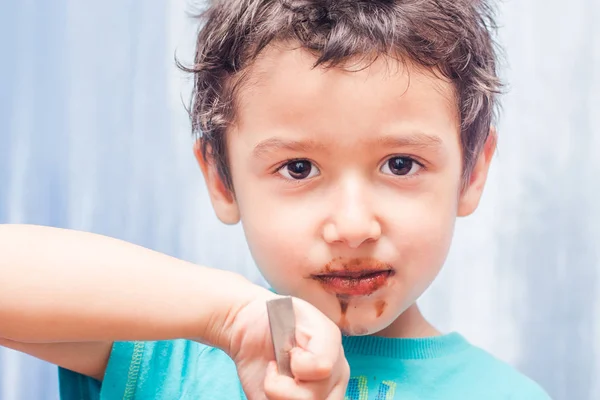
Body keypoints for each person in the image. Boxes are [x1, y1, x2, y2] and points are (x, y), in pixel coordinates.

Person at [0, 0, 551, 398]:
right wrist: (231, 317)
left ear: (472, 171)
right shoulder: (172, 352)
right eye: (298, 168)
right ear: (221, 178)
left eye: (401, 164)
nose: (353, 226)